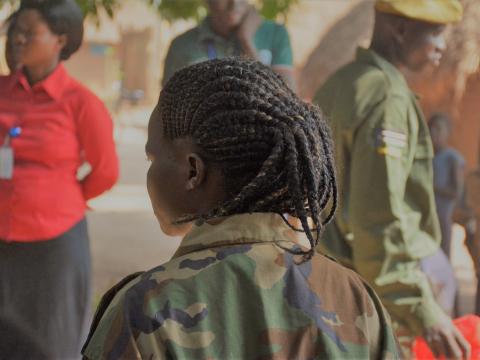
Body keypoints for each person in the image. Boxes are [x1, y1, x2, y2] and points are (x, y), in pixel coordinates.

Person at [82, 58, 400, 359]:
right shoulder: (356, 298)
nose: (149, 173)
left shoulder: (144, 308)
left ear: (193, 171)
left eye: (152, 159)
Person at [313, 0, 470, 358]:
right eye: (436, 32)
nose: (443, 46)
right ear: (400, 30)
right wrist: (423, 311)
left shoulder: (341, 84)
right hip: (375, 303)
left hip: (332, 288)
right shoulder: (387, 97)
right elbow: (378, 222)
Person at [0, 0, 119, 358]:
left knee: (51, 341)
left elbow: (106, 171)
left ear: (60, 41)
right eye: (15, 31)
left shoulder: (81, 103)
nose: (18, 40)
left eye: (29, 33)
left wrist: (62, 198)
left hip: (53, 243)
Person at [162, 0, 294, 89]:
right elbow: (166, 111)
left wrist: (246, 41)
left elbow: (289, 100)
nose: (234, 3)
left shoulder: (276, 34)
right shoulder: (181, 46)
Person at [430, 113, 465, 257]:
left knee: (443, 257)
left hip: (444, 217)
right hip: (429, 218)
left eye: (438, 129)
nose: (434, 133)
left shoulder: (452, 157)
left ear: (448, 132)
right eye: (431, 129)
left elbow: (457, 192)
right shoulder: (429, 156)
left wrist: (432, 188)